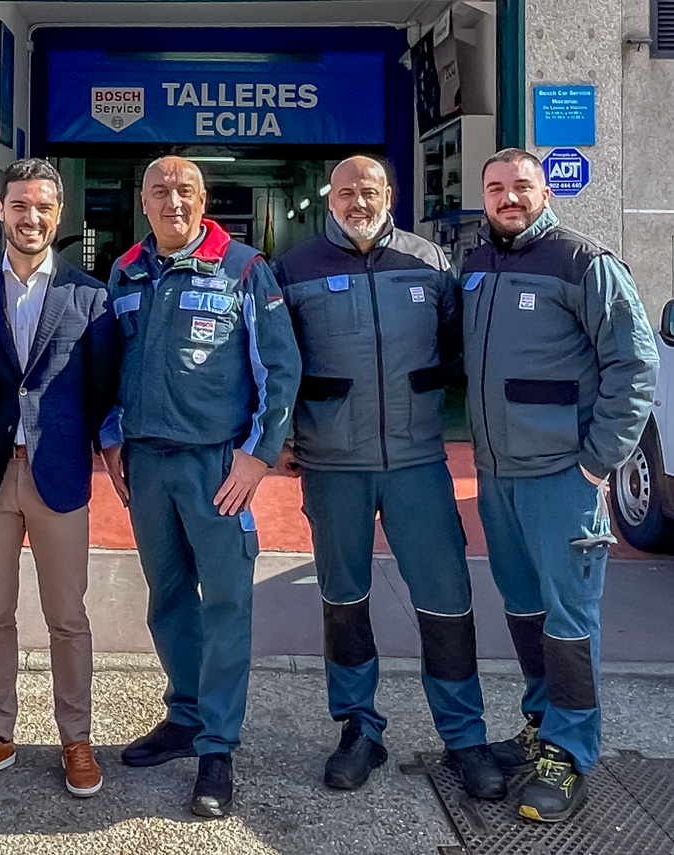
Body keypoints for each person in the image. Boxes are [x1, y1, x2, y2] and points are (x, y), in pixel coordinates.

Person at [272, 155, 504, 799]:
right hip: (332, 463)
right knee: (344, 600)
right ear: (330, 198)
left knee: (446, 599)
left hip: (417, 460)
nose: (357, 201)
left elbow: (458, 348)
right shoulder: (295, 268)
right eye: (345, 192)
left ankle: (464, 736)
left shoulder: (428, 262)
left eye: (369, 190)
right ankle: (359, 729)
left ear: (389, 195)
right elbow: (276, 361)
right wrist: (282, 436)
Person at [100, 156, 301, 818]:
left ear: (203, 198)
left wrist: (257, 457)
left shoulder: (243, 268)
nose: (173, 201)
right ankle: (185, 716)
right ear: (143, 201)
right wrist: (111, 439)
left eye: (184, 189)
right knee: (168, 598)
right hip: (147, 465)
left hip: (217, 468)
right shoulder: (126, 270)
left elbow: (280, 368)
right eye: (159, 190)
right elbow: (108, 365)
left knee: (226, 604)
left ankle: (217, 746)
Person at [463, 148, 658, 822]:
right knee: (524, 610)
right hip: (498, 477)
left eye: (522, 185)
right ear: (484, 197)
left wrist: (598, 463)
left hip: (562, 479)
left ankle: (569, 751)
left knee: (570, 620)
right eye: (496, 188)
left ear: (546, 192)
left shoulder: (584, 263)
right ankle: (541, 722)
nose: (508, 197)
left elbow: (635, 366)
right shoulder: (477, 266)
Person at [0, 158, 119, 798]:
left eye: (43, 206)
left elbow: (102, 386)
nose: (31, 217)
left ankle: (76, 737)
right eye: (19, 205)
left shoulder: (89, 295)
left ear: (58, 212)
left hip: (58, 474)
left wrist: (85, 447)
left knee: (67, 615)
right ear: (0, 210)